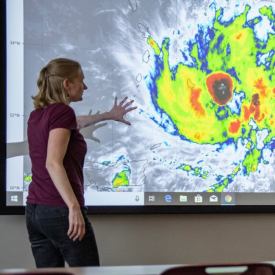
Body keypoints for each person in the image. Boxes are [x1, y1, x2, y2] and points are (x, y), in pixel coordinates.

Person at [25, 58, 136, 268]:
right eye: (81, 80)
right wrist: (73, 207)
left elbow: (75, 122)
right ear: (67, 84)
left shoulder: (38, 115)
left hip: (35, 212)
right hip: (60, 209)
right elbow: (53, 163)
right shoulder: (62, 112)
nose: (85, 86)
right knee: (89, 273)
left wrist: (109, 115)